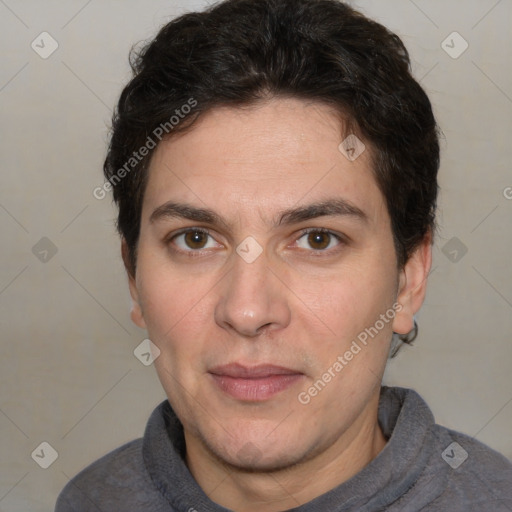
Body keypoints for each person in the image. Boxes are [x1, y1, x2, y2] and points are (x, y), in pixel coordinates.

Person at [55, 0, 512, 510]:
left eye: (318, 239)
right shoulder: (88, 500)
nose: (248, 311)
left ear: (409, 278)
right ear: (134, 277)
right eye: (196, 239)